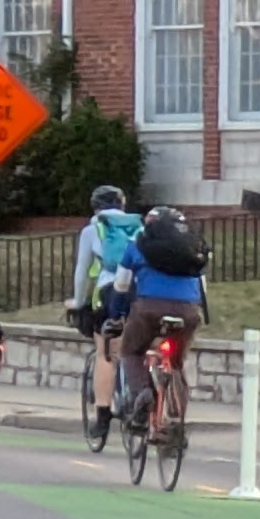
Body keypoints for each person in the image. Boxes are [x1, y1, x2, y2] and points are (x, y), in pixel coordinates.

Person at [110, 203, 209, 430]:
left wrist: (116, 315)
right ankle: (177, 418)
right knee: (175, 362)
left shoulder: (136, 248)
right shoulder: (191, 251)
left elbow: (121, 286)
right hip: (189, 311)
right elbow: (202, 288)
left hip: (148, 309)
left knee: (131, 351)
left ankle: (142, 392)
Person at [71, 181, 148, 424]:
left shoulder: (93, 229)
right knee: (137, 348)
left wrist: (78, 301)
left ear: (95, 207)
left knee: (105, 352)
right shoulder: (139, 227)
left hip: (109, 290)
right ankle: (143, 397)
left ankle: (102, 416)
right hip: (141, 291)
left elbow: (82, 271)